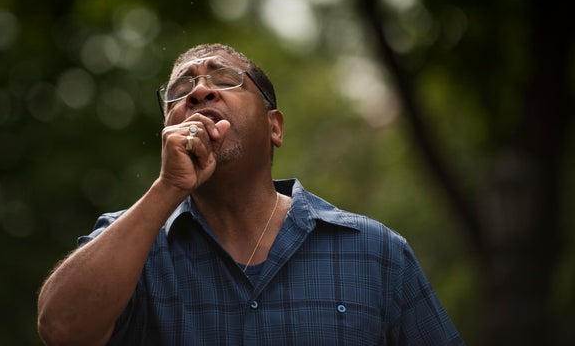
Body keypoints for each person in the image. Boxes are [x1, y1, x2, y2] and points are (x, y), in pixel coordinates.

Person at [37, 43, 464, 346]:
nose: (200, 92)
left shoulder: (375, 253)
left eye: (225, 79)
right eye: (180, 91)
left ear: (274, 127)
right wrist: (168, 188)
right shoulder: (131, 247)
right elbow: (60, 330)